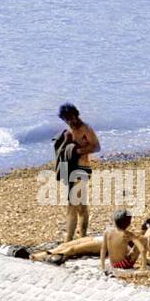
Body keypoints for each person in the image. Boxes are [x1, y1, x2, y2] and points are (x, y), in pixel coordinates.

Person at [55, 103, 100, 241]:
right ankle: (83, 235)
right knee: (81, 204)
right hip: (72, 169)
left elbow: (97, 147)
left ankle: (69, 239)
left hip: (82, 169)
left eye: (71, 118)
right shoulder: (69, 130)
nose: (69, 122)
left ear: (76, 115)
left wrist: (78, 151)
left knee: (72, 203)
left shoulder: (85, 129)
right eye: (66, 119)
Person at [100, 209, 148, 273]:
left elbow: (103, 249)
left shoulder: (107, 232)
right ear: (129, 223)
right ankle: (145, 262)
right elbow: (142, 249)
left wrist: (102, 265)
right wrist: (143, 267)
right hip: (124, 265)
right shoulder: (128, 234)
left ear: (114, 221)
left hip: (113, 264)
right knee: (143, 239)